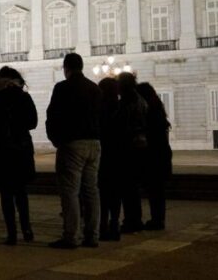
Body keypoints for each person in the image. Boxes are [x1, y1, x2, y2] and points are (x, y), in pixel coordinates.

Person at [46, 53, 103, 249]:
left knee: (70, 192)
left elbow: (52, 116)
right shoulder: (95, 89)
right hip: (94, 144)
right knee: (91, 191)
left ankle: (71, 236)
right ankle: (93, 235)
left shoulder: (62, 88)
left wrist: (56, 139)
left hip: (72, 144)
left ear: (66, 68)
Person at [0, 66, 37, 245]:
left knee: (6, 193)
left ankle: (11, 233)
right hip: (21, 148)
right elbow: (33, 122)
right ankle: (27, 229)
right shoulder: (24, 97)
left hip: (1, 148)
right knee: (21, 192)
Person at [136, 82, 172, 231]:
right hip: (162, 155)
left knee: (154, 191)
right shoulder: (158, 110)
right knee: (158, 191)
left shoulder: (150, 113)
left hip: (153, 157)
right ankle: (158, 219)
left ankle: (157, 221)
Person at [118, 72, 148, 234]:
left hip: (129, 147)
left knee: (128, 187)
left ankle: (131, 220)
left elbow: (122, 124)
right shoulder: (140, 100)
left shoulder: (128, 102)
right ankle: (134, 219)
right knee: (133, 187)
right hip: (140, 145)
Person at [98, 77, 123, 241]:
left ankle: (102, 225)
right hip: (120, 155)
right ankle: (115, 224)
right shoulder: (122, 107)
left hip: (104, 154)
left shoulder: (100, 109)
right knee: (116, 193)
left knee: (103, 193)